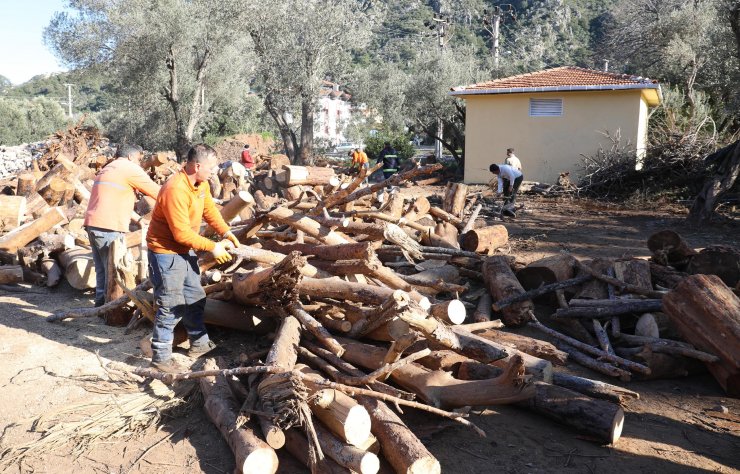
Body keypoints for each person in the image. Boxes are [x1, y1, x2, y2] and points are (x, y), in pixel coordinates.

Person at [146, 144, 240, 373]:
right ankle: (161, 358)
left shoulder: (201, 184)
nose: (214, 172)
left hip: (183, 250)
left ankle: (199, 344)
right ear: (197, 165)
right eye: (211, 167)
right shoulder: (175, 189)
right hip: (165, 252)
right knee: (171, 304)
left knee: (195, 296)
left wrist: (226, 232)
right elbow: (180, 233)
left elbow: (210, 211)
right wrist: (213, 247)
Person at [84, 144, 160, 307]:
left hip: (94, 223)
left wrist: (139, 220)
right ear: (131, 157)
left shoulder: (109, 168)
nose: (139, 164)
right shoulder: (129, 168)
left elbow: (113, 201)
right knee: (115, 270)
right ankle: (111, 310)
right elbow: (158, 193)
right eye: (139, 159)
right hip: (108, 226)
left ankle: (100, 305)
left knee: (103, 269)